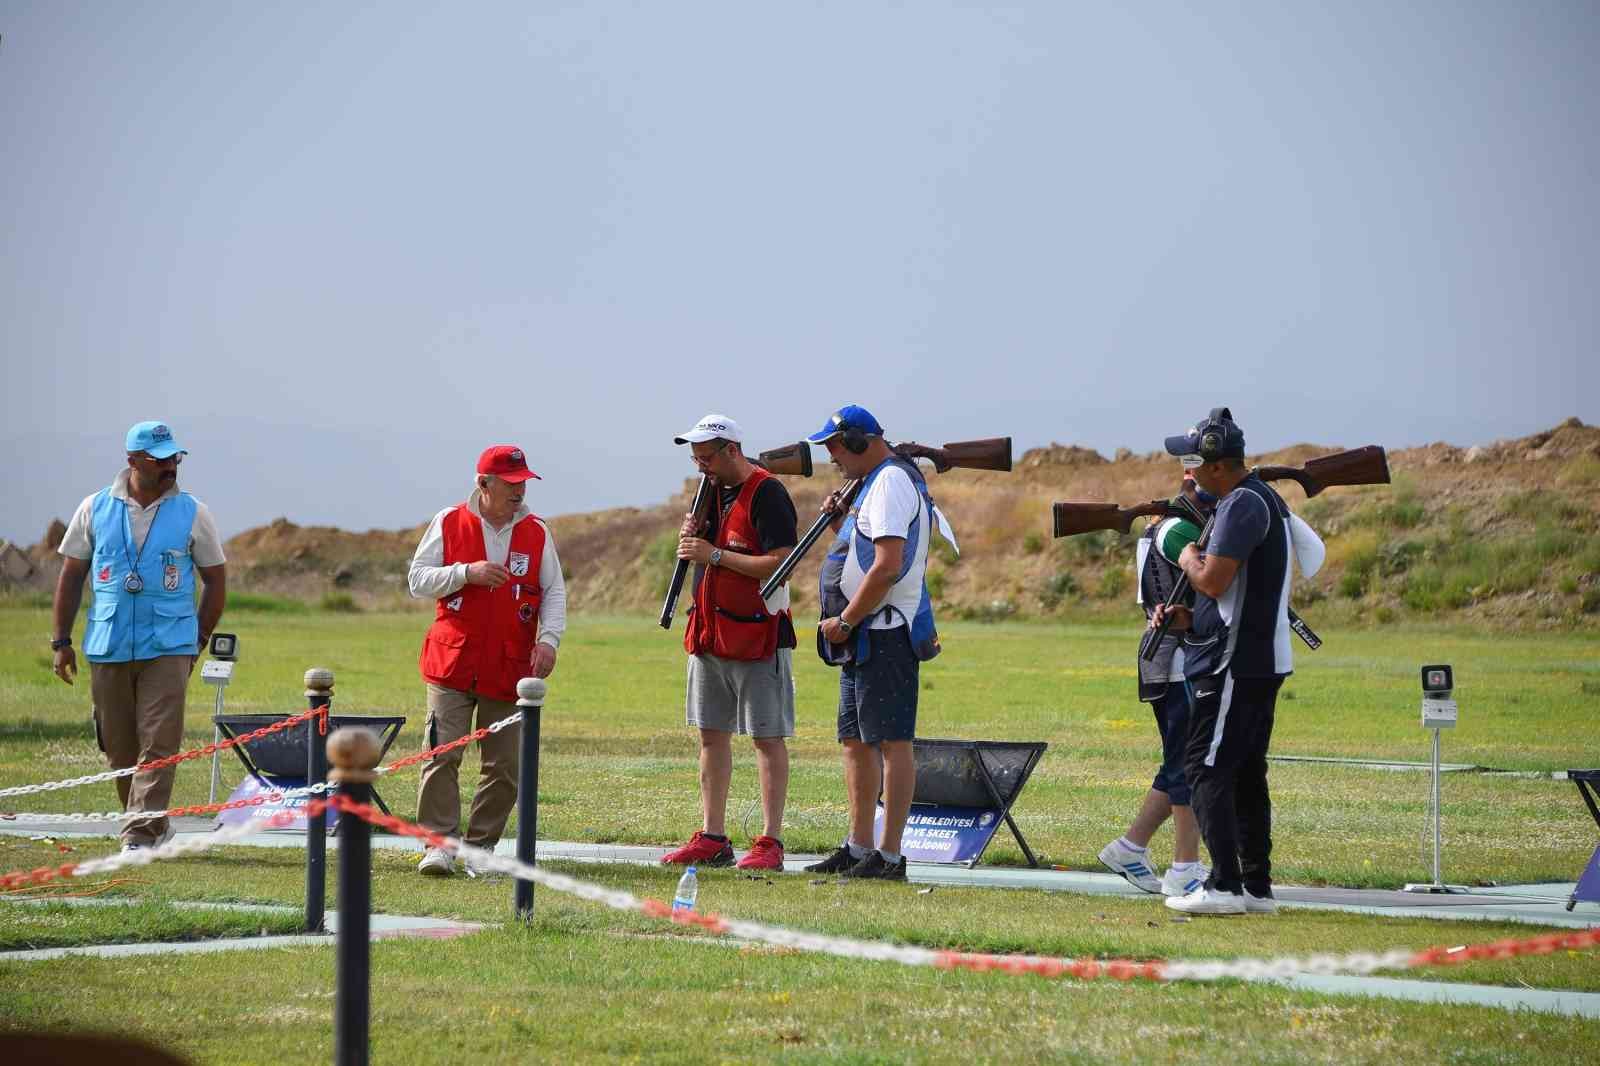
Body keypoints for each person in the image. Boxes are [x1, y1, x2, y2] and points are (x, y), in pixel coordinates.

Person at [50, 421, 228, 852]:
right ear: (132, 461)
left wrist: (197, 639)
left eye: (175, 458)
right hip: (108, 646)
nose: (171, 466)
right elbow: (72, 575)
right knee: (120, 750)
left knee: (159, 743)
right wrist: (61, 641)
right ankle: (152, 824)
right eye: (160, 458)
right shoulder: (94, 508)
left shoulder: (193, 511)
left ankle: (138, 836)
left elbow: (216, 581)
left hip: (169, 647)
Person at [1153, 408, 1294, 915]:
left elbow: (1212, 579)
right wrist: (1190, 621)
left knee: (1205, 768)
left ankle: (1225, 885)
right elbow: (1235, 593)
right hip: (1256, 655)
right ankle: (1256, 886)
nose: (1188, 472)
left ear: (1216, 464)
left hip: (1234, 662)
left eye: (1193, 462)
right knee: (1245, 771)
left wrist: (1186, 554)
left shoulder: (1240, 504)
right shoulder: (1260, 500)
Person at [803, 405, 946, 881]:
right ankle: (859, 845)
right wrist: (837, 521)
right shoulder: (875, 484)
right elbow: (861, 553)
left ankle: (888, 856)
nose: (832, 458)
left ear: (861, 443)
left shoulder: (887, 483)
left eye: (836, 447)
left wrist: (846, 617)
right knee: (855, 741)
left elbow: (887, 566)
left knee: (891, 742)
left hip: (882, 630)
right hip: (867, 630)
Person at [408, 445, 566, 877]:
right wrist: (465, 573)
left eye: (524, 483)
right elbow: (417, 580)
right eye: (511, 483)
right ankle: (438, 848)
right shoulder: (448, 521)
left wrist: (549, 640)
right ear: (484, 484)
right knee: (442, 755)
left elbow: (554, 591)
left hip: (511, 666)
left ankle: (480, 850)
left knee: (505, 767)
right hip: (452, 663)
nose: (520, 491)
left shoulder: (537, 531)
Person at [660, 414, 800, 871]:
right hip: (709, 633)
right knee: (710, 736)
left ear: (731, 451)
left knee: (766, 738)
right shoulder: (710, 493)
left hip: (758, 633)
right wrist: (696, 539)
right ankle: (713, 836)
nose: (700, 467)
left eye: (706, 458)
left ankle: (770, 842)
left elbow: (781, 562)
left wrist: (714, 555)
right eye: (696, 458)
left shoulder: (769, 492)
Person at [1097, 472, 1210, 898]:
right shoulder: (1178, 530)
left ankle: (1130, 847)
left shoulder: (1164, 528)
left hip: (1168, 655)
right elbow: (1202, 576)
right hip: (1178, 658)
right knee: (1188, 764)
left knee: (1178, 761)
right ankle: (1186, 865)